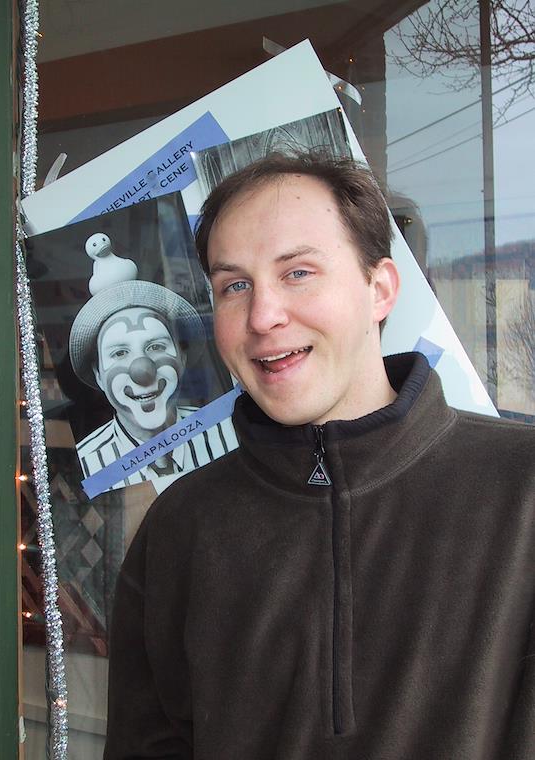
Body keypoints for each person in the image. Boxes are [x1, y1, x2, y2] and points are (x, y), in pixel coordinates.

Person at [103, 152, 535, 760]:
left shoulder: (520, 491)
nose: (263, 316)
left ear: (380, 289)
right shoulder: (180, 527)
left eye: (298, 272)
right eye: (234, 286)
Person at [69, 275, 237, 493]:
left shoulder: (229, 432)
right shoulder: (83, 464)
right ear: (98, 374)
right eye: (119, 353)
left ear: (182, 358)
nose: (142, 370)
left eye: (156, 347)